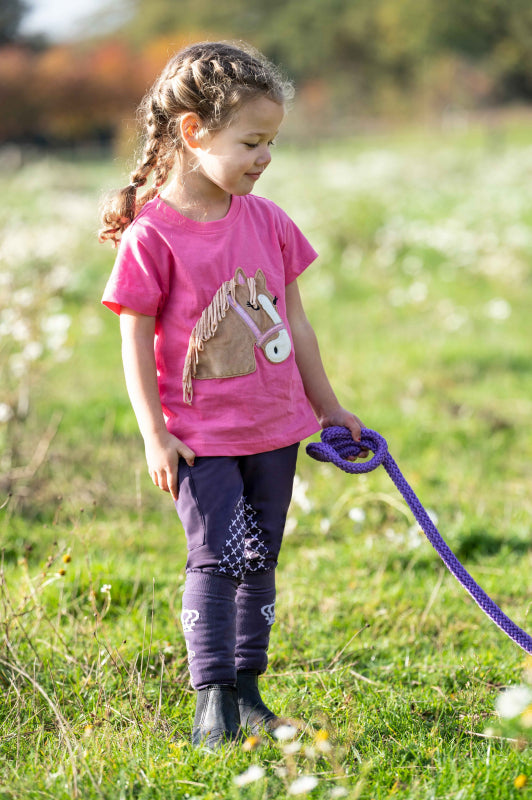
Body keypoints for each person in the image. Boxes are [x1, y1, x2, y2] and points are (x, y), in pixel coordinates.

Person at [100, 40, 364, 749]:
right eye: (251, 141)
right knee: (216, 556)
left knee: (261, 559)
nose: (265, 157)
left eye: (271, 142)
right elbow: (132, 341)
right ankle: (210, 699)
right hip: (201, 437)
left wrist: (329, 407)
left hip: (276, 429)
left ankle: (249, 692)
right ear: (194, 133)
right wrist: (155, 434)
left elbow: (296, 323)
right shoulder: (152, 236)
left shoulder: (269, 222)